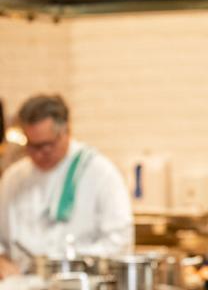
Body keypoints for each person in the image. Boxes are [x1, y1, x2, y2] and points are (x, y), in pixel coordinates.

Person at [0, 94, 133, 277]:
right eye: (32, 146)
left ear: (66, 132)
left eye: (47, 145)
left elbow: (120, 241)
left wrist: (71, 266)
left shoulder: (100, 173)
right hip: (23, 283)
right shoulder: (14, 178)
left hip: (80, 283)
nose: (39, 154)